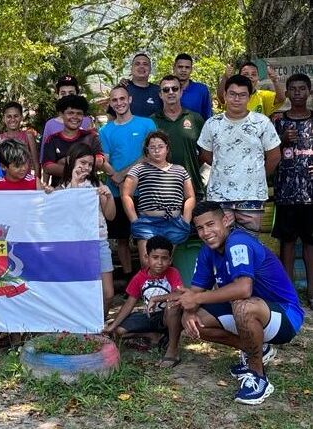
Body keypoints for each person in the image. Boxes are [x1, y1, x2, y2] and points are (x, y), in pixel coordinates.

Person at [170, 201, 304, 405]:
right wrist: (189, 311)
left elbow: (243, 288)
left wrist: (196, 299)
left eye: (210, 224)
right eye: (200, 228)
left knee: (242, 305)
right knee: (195, 321)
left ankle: (258, 377)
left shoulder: (238, 242)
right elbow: (194, 291)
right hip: (255, 312)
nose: (206, 232)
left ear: (225, 221)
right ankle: (259, 350)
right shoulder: (208, 250)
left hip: (285, 317)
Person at [198, 74, 281, 234]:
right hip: (219, 195)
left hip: (251, 195)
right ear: (225, 95)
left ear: (249, 97)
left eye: (242, 95)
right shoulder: (212, 123)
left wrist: (256, 175)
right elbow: (205, 155)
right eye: (232, 94)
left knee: (248, 243)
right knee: (220, 241)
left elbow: (274, 155)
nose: (237, 99)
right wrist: (225, 167)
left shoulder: (261, 122)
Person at [100, 85, 156, 279]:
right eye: (114, 100)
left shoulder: (146, 124)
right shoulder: (105, 130)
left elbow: (150, 154)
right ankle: (129, 278)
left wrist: (122, 175)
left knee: (147, 235)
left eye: (122, 99)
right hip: (116, 191)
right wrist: (114, 176)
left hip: (145, 190)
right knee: (122, 238)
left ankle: (151, 276)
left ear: (130, 99)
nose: (119, 103)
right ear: (110, 103)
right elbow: (103, 160)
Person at [103, 236, 183, 367]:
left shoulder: (173, 273)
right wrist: (113, 325)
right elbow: (129, 303)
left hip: (167, 317)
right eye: (155, 257)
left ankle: (172, 351)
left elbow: (179, 294)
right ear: (147, 258)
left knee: (173, 305)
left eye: (164, 258)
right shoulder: (139, 277)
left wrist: (156, 298)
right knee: (118, 331)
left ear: (170, 260)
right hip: (149, 316)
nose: (159, 262)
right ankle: (154, 336)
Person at [121, 131, 195, 268]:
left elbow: (190, 196)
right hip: (148, 223)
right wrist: (134, 219)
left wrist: (186, 219)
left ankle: (167, 289)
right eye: (152, 147)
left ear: (167, 148)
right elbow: (126, 194)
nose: (156, 150)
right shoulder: (139, 169)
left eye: (160, 146)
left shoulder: (180, 170)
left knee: (166, 264)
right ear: (147, 150)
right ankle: (147, 289)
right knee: (147, 263)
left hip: (174, 222)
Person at [272, 73, 313, 309]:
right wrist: (281, 140)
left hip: (311, 194)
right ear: (286, 93)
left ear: (309, 92)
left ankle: (311, 292)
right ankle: (288, 295)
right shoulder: (277, 120)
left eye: (302, 88)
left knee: (310, 243)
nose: (297, 92)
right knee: (287, 244)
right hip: (286, 193)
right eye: (293, 89)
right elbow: (266, 151)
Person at [59, 142, 115, 315]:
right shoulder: (61, 189)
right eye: (82, 162)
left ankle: (101, 327)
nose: (86, 167)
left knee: (108, 294)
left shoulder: (96, 185)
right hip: (75, 246)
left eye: (90, 164)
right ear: (71, 161)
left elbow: (110, 215)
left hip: (99, 242)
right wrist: (75, 183)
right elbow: (71, 213)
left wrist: (109, 196)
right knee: (80, 293)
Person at [151, 75, 205, 201]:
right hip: (162, 191)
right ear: (160, 94)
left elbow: (205, 153)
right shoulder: (151, 122)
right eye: (166, 90)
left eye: (174, 89)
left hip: (193, 189)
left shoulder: (195, 119)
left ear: (181, 92)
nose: (170, 92)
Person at [42, 95, 104, 187]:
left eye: (79, 113)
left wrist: (65, 161)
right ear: (62, 115)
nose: (75, 117)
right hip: (60, 191)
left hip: (88, 190)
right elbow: (48, 167)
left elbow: (98, 162)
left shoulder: (91, 137)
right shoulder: (52, 140)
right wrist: (82, 166)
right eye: (70, 113)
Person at [40, 74, 94, 147]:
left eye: (71, 93)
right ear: (57, 96)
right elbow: (45, 154)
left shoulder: (87, 121)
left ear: (77, 94)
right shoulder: (50, 125)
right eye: (63, 93)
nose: (67, 96)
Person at [217, 62, 285, 117]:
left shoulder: (263, 96)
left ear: (258, 78)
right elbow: (221, 97)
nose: (250, 77)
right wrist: (225, 77)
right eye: (246, 74)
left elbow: (281, 99)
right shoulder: (233, 96)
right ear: (239, 77)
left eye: (253, 74)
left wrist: (275, 80)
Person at [0, 102, 40, 177]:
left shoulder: (28, 136)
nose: (13, 119)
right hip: (5, 183)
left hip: (25, 182)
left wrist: (37, 182)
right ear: (4, 118)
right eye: (9, 116)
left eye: (16, 116)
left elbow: (36, 163)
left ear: (21, 117)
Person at [172, 53, 213, 121]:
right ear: (174, 67)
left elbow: (208, 117)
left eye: (187, 67)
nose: (183, 70)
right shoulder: (166, 90)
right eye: (180, 67)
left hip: (196, 130)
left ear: (191, 69)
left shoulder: (201, 90)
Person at [124, 52, 162, 117]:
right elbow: (112, 118)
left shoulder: (159, 91)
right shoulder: (123, 89)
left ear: (150, 69)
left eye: (145, 64)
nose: (141, 66)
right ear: (131, 69)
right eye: (137, 64)